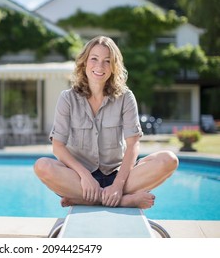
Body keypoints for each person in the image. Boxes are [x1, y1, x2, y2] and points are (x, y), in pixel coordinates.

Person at [34, 36, 178, 209]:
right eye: (94, 59)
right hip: (79, 180)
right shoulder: (67, 98)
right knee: (42, 166)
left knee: (169, 160)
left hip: (118, 176)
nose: (99, 66)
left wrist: (118, 185)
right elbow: (58, 146)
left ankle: (86, 199)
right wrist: (85, 176)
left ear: (114, 66)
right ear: (85, 62)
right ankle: (123, 201)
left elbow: (133, 145)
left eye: (107, 61)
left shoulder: (126, 97)